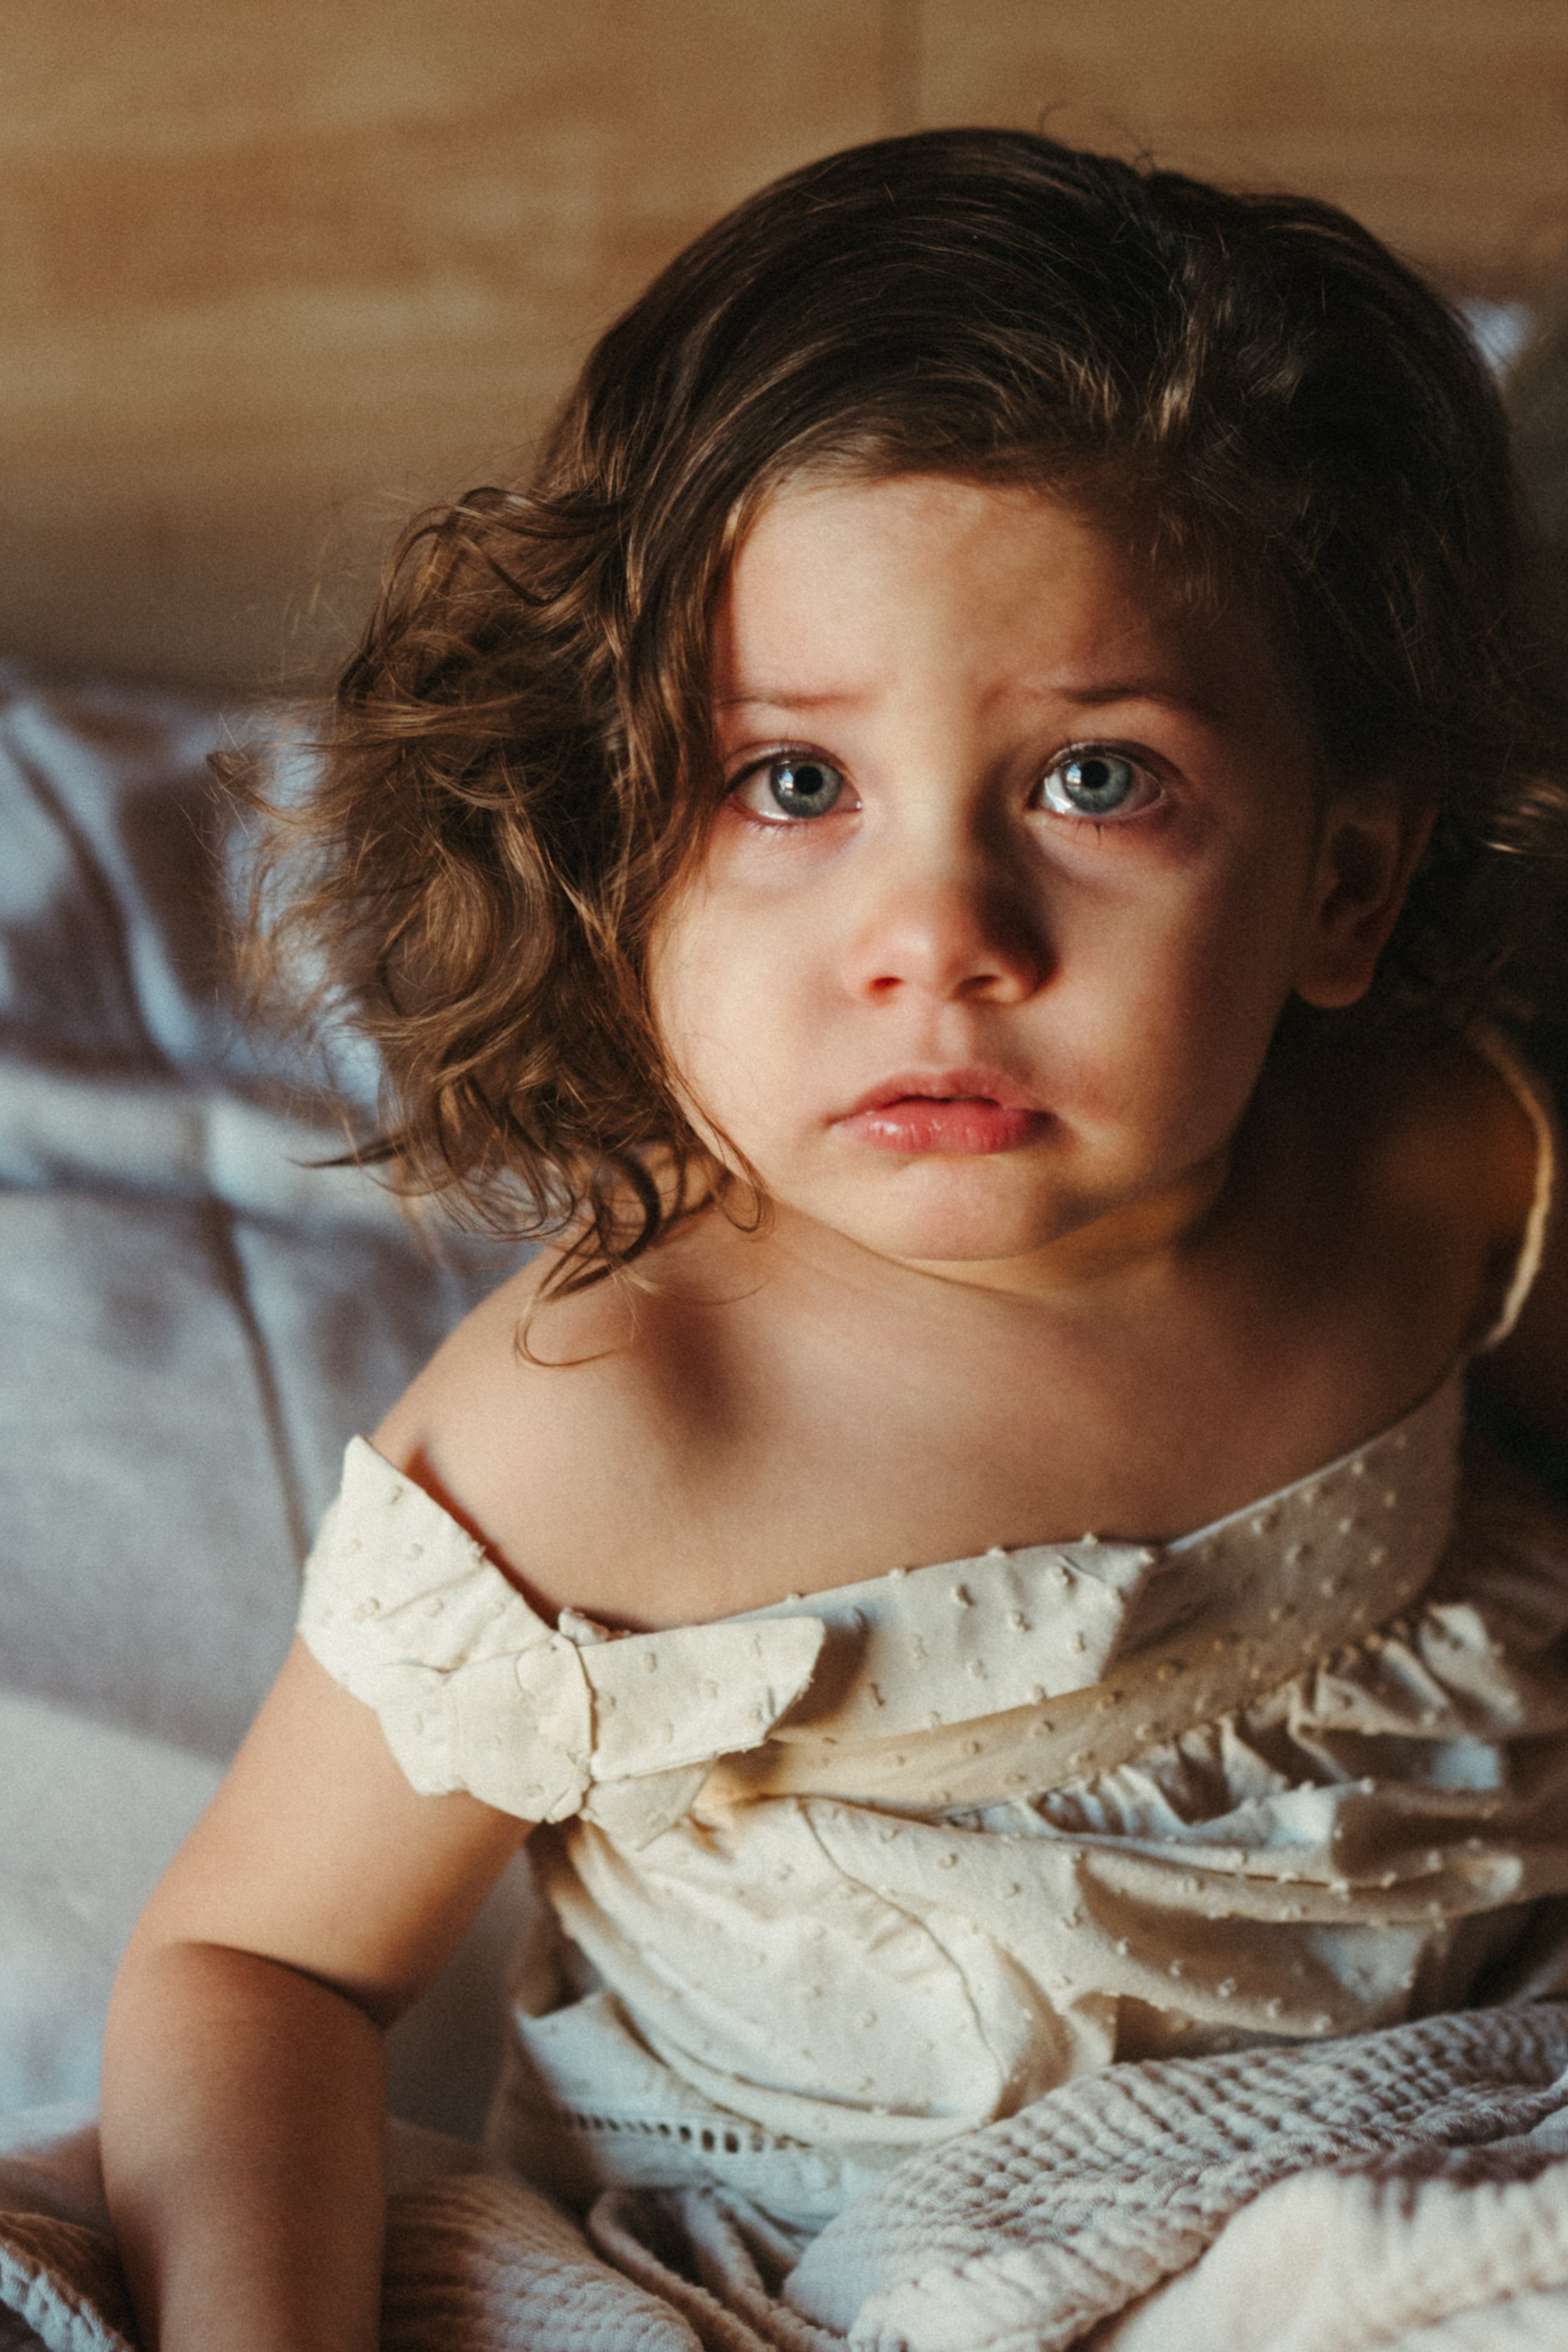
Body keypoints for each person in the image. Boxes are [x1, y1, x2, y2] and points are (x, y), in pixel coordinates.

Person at [99, 126, 1568, 2348]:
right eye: (789, 782)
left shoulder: (1423, 1172)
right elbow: (256, 1962)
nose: (935, 938)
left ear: (1340, 883)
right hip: (838, 2268)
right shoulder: (622, 1418)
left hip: (1424, 2121)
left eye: (1098, 781)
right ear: (618, 840)